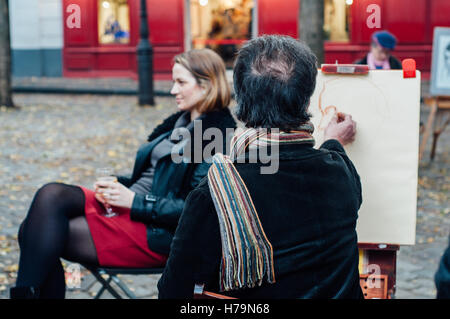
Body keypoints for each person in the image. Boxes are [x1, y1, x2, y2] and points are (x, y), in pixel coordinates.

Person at [10, 48, 236, 299]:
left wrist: (134, 201)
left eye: (181, 82)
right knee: (50, 197)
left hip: (156, 232)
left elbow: (194, 210)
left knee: (34, 233)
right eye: (173, 81)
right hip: (130, 208)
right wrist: (117, 185)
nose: (173, 90)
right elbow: (155, 178)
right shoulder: (179, 123)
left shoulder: (216, 136)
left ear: (206, 86)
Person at [158, 35, 363, 299]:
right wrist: (333, 140)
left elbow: (174, 292)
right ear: (307, 101)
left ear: (241, 99)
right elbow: (326, 159)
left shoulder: (215, 192)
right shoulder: (340, 172)